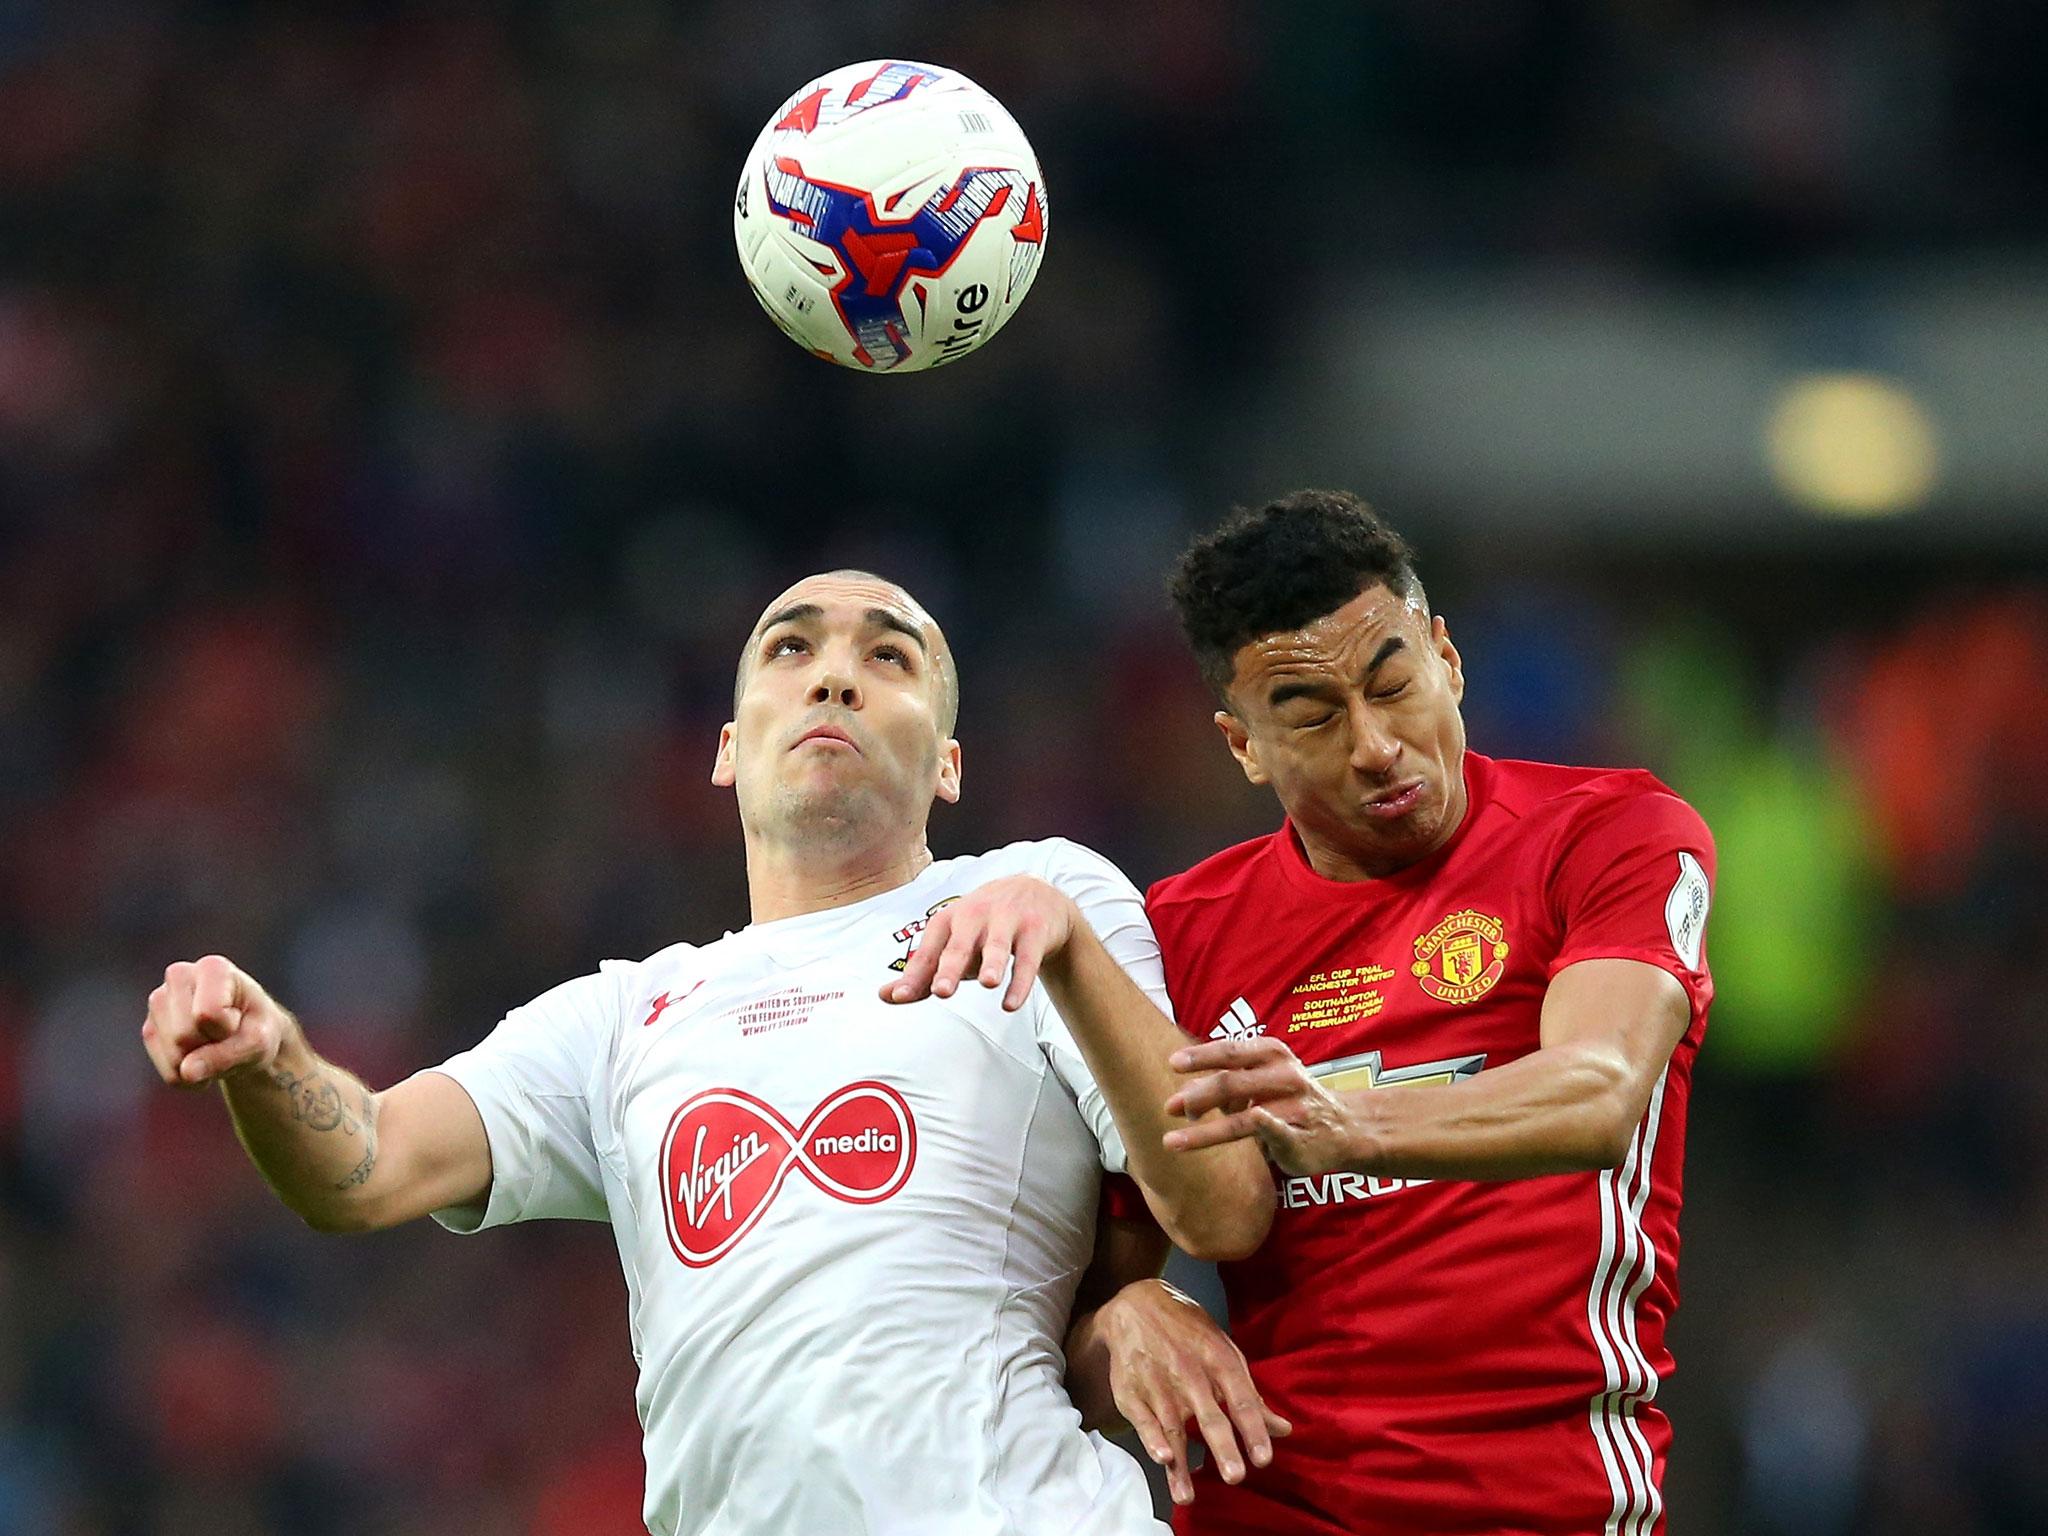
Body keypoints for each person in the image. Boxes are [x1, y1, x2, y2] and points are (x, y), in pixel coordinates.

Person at [139, 569, 1275, 1536]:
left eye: (889, 659)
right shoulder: (625, 1014)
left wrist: (1069, 951)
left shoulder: (1035, 895)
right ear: (728, 748)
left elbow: (1222, 1211)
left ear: (948, 765)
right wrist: (270, 1055)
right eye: (792, 649)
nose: (834, 674)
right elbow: (366, 1167)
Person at [1066, 492, 1716, 1536]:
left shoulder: (1608, 836)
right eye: (1313, 717)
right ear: (1242, 744)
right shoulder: (1174, 936)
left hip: (1537, 1506)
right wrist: (1128, 1316)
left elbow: (1598, 1089)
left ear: (1446, 661)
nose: (1373, 746)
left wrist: (1341, 1122)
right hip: (1263, 1512)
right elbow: (1070, 1316)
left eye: (1392, 685)